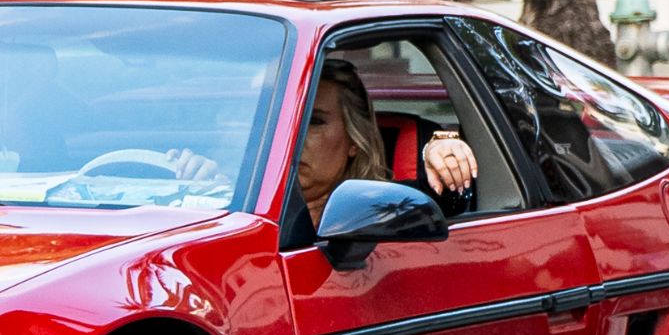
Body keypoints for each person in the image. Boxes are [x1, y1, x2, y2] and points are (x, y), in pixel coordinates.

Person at [174, 57, 478, 221]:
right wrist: (209, 192)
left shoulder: (385, 208)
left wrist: (444, 146)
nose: (292, 137)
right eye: (276, 122)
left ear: (353, 141)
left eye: (314, 121)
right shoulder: (231, 200)